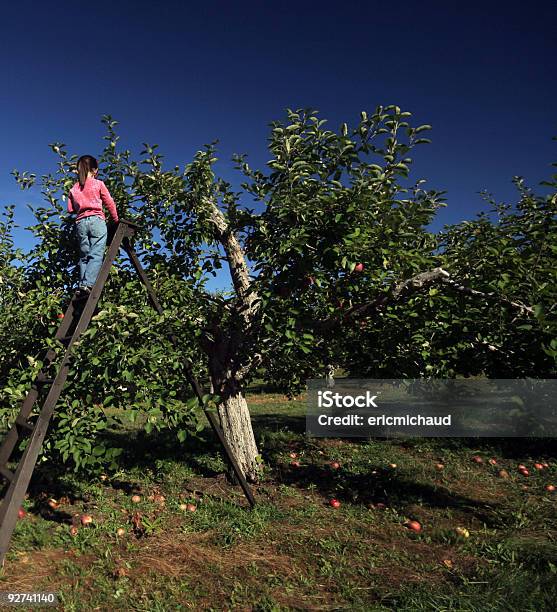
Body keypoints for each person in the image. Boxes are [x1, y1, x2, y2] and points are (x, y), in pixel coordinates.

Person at [67, 155, 119, 295]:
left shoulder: (74, 188)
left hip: (80, 223)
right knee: (96, 253)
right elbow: (109, 202)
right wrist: (115, 219)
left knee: (84, 255)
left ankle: (81, 285)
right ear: (95, 170)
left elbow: (70, 209)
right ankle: (88, 284)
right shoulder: (98, 184)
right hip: (96, 220)